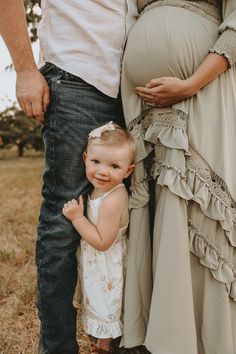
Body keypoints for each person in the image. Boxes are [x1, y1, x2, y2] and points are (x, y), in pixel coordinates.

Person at [1, 1, 138, 353]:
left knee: (135, 219)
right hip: (77, 77)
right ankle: (58, 345)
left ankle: (123, 337)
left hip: (137, 87)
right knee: (63, 223)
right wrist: (25, 70)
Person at [121, 1, 236, 353]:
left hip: (202, 89)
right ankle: (162, 331)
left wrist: (189, 84)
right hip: (143, 107)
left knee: (193, 201)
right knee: (158, 207)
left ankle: (202, 339)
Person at [62, 122, 136, 354]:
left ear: (129, 171)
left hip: (107, 267)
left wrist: (77, 219)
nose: (103, 171)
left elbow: (103, 242)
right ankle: (101, 342)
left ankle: (104, 348)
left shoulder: (113, 199)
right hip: (97, 265)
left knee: (107, 307)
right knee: (99, 304)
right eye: (96, 162)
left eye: (114, 166)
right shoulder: (100, 188)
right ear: (85, 159)